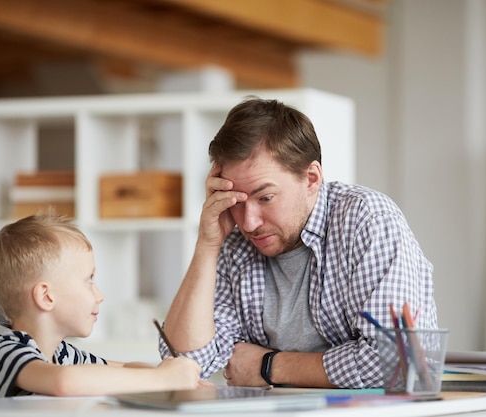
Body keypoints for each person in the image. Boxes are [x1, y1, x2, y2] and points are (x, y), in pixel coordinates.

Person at [161, 97, 438, 389]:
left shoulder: (366, 219)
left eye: (265, 197)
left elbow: (397, 362)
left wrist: (269, 366)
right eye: (236, 202)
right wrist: (207, 244)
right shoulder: (233, 240)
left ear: (311, 179)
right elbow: (183, 363)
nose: (248, 222)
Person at [0, 213, 201, 399]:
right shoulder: (4, 351)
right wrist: (163, 380)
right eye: (89, 280)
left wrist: (171, 372)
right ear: (46, 296)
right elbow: (63, 382)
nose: (100, 295)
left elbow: (125, 367)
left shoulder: (62, 354)